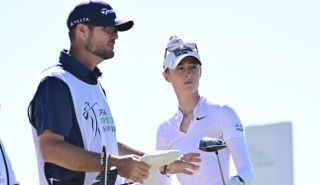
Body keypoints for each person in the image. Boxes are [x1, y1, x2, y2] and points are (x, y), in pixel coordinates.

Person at [27, 1, 150, 185]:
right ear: (82, 31)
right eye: (109, 29)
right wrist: (115, 163)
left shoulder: (95, 84)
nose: (115, 36)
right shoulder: (55, 82)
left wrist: (156, 161)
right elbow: (51, 148)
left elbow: (105, 146)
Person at [156, 36, 254, 185]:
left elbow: (247, 172)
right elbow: (160, 183)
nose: (188, 73)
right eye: (180, 68)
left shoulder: (223, 113)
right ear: (166, 76)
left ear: (201, 71)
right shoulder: (164, 130)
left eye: (193, 67)